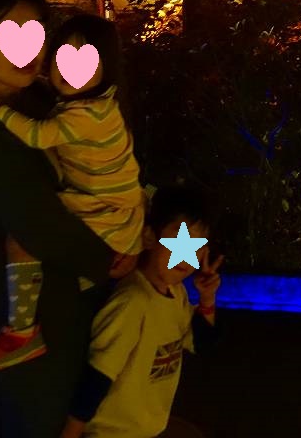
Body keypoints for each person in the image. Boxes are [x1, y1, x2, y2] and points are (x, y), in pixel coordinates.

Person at [0, 0, 131, 438]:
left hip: (60, 311)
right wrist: (111, 259)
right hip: (17, 326)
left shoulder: (39, 101)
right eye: (9, 33)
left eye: (37, 33)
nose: (27, 48)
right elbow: (40, 222)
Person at [0, 13, 145, 373]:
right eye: (61, 59)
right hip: (111, 200)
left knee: (23, 238)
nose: (69, 71)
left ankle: (21, 331)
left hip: (103, 206)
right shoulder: (93, 102)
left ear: (107, 70)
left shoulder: (86, 114)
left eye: (85, 62)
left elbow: (39, 135)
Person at [62, 185, 222, 438]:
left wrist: (207, 299)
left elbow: (201, 344)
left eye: (196, 246)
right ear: (149, 237)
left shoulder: (176, 293)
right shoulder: (133, 301)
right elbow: (98, 375)